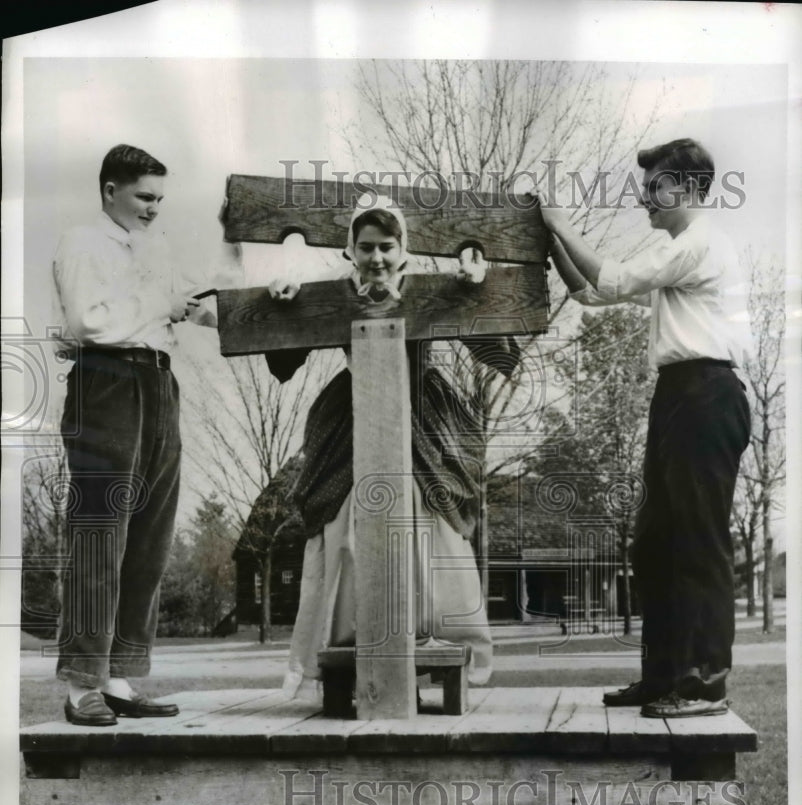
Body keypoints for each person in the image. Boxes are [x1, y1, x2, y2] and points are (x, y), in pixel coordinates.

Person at [260, 198, 520, 698]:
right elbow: (282, 357)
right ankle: (347, 647)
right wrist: (283, 298)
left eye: (386, 247)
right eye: (366, 248)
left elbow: (497, 351)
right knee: (345, 530)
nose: (376, 258)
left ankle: (442, 640)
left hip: (423, 414)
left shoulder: (431, 289)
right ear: (350, 251)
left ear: (404, 251)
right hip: (354, 415)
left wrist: (476, 286)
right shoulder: (336, 295)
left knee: (433, 526)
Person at [540, 138, 751, 718]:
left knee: (699, 543)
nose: (645, 198)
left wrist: (558, 219)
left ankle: (707, 682)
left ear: (685, 187)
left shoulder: (701, 245)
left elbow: (610, 282)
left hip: (707, 396)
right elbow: (589, 294)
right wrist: (551, 240)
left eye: (655, 186)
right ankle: (663, 679)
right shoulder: (678, 266)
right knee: (654, 544)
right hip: (678, 397)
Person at [53, 144, 217, 725]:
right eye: (145, 197)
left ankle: (119, 678)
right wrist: (161, 304)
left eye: (159, 200)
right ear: (110, 191)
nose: (153, 209)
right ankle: (82, 687)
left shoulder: (157, 248)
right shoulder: (83, 242)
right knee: (101, 533)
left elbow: (198, 306)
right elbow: (86, 321)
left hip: (159, 385)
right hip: (107, 384)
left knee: (149, 537)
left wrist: (265, 296)